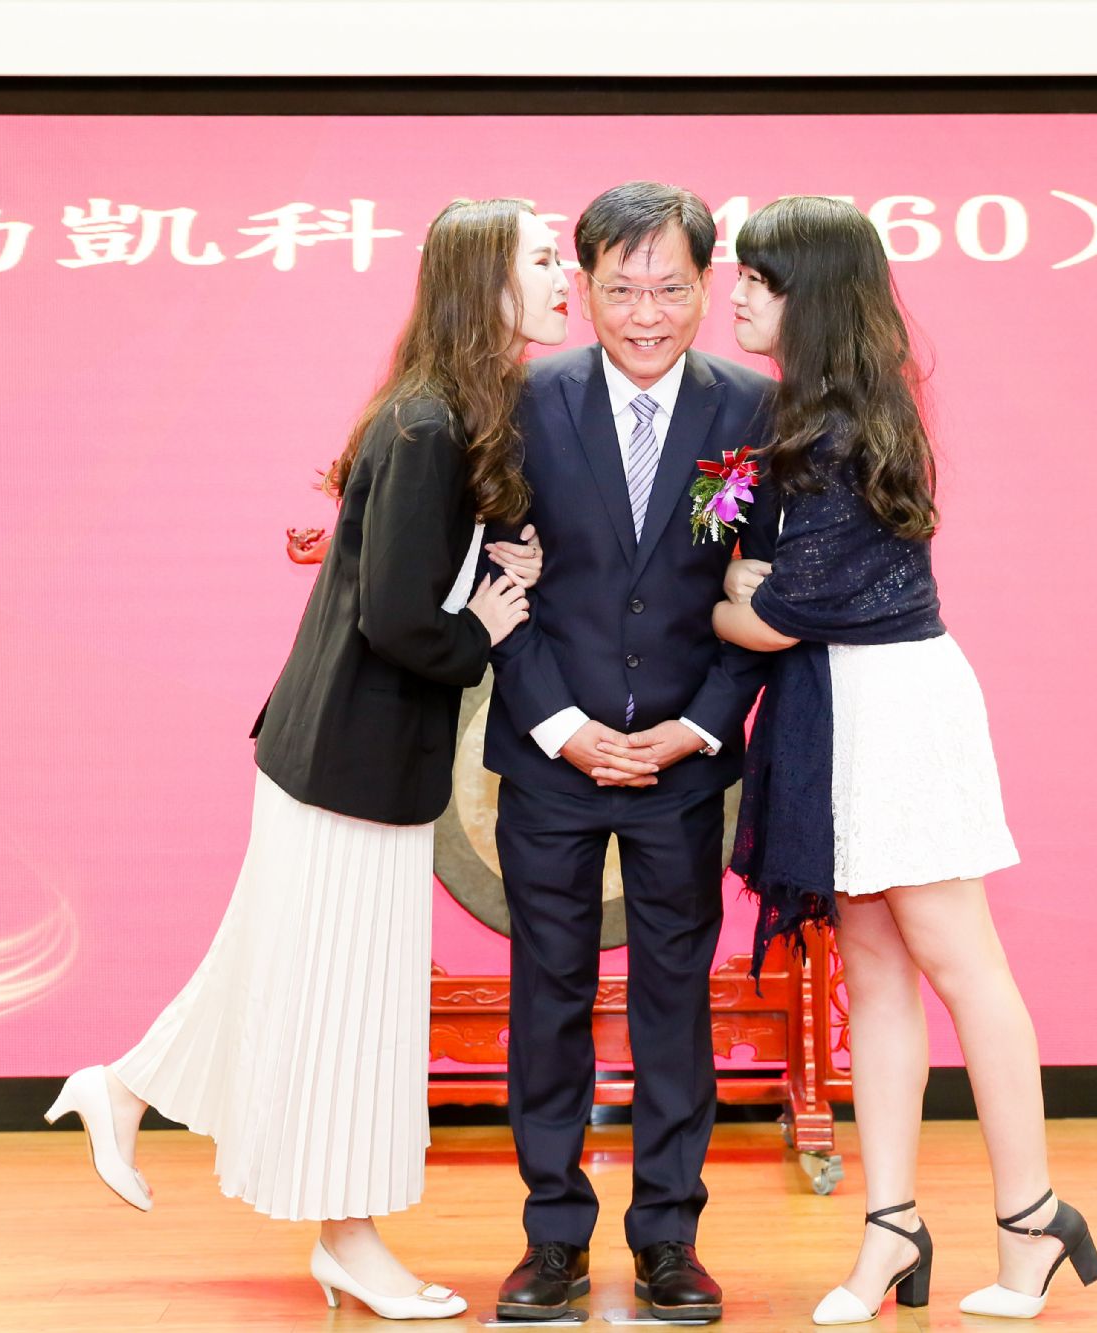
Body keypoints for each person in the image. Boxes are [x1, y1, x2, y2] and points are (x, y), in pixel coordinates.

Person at [44, 197, 569, 1321]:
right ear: (484, 279)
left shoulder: (441, 413)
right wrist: (486, 626)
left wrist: (494, 574)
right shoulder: (427, 425)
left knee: (276, 965)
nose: (562, 276)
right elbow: (399, 618)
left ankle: (120, 1089)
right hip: (351, 760)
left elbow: (409, 581)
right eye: (541, 258)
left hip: (341, 752)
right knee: (349, 1006)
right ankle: (348, 1239)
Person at [712, 196, 1097, 1324]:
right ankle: (890, 1227)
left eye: (759, 279)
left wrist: (738, 597)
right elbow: (777, 607)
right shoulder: (803, 418)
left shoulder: (847, 427)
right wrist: (748, 597)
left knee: (962, 964)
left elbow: (775, 613)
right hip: (834, 714)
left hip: (891, 711)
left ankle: (1031, 1217)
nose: (737, 295)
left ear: (814, 297)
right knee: (873, 973)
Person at [480, 182, 777, 1324]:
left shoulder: (751, 411)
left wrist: (697, 727)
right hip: (550, 758)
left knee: (672, 1000)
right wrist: (563, 727)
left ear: (706, 286)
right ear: (584, 285)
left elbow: (760, 592)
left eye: (668, 289)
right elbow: (495, 582)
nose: (644, 314)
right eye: (620, 289)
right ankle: (551, 1235)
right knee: (546, 994)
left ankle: (668, 1238)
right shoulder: (521, 402)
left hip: (682, 765)